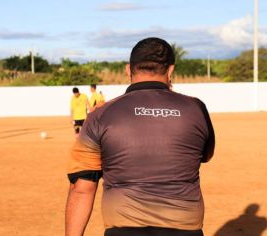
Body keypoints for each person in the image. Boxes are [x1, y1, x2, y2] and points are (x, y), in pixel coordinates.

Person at [65, 37, 215, 236]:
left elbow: (81, 188)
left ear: (128, 70)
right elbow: (206, 155)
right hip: (185, 228)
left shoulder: (100, 115)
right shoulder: (196, 109)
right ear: (170, 71)